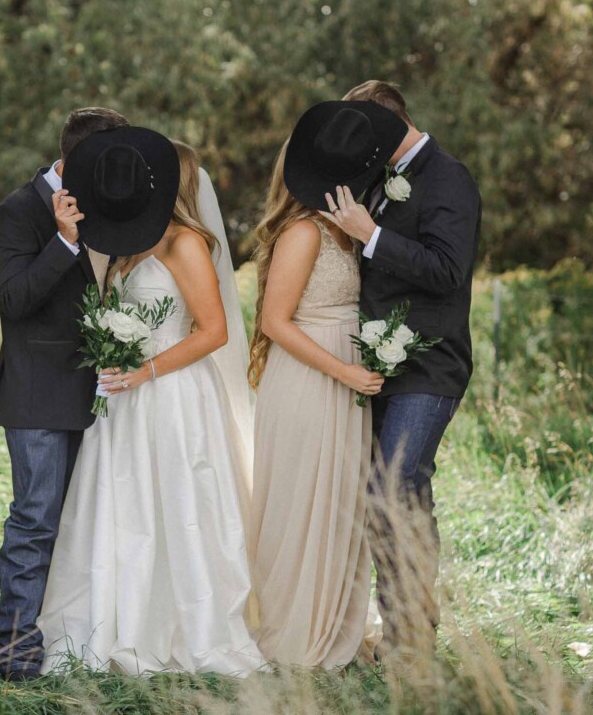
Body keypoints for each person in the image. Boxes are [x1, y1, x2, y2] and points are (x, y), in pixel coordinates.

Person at [38, 129, 264, 676]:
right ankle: (114, 619)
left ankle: (179, 627)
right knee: (121, 505)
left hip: (174, 392)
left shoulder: (185, 243)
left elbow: (213, 331)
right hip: (124, 398)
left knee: (178, 505)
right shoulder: (129, 243)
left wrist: (148, 370)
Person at [319, 81, 482, 657]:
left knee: (396, 485)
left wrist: (371, 234)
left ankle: (411, 640)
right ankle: (402, 631)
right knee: (385, 495)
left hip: (431, 365)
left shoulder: (448, 178)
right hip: (379, 364)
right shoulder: (379, 179)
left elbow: (447, 270)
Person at [0, 107, 127, 680]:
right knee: (35, 520)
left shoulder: (106, 210)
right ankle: (14, 650)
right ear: (77, 160)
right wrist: (64, 243)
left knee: (81, 522)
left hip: (97, 393)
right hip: (38, 392)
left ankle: (68, 639)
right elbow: (14, 301)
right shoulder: (17, 212)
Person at [246, 126, 386, 668]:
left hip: (346, 382)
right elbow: (275, 322)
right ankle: (295, 632)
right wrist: (344, 370)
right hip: (310, 380)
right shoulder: (303, 232)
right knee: (302, 501)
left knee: (339, 504)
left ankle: (333, 626)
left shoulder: (347, 230)